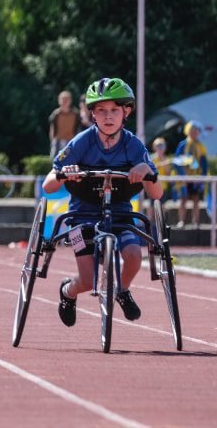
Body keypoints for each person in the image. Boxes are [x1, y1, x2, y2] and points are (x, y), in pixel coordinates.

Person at [43, 77, 162, 327]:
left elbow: (157, 193)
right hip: (80, 216)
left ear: (125, 112)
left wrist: (145, 169)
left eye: (114, 111)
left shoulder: (133, 144)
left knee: (133, 256)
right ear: (92, 114)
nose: (108, 117)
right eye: (101, 111)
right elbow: (48, 184)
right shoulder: (82, 142)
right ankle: (67, 292)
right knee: (87, 281)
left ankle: (121, 290)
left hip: (119, 213)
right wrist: (65, 174)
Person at [173, 120, 208, 229]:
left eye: (196, 131)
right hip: (184, 178)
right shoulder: (183, 145)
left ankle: (196, 221)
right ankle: (182, 221)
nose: (194, 132)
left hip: (196, 178)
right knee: (183, 199)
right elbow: (177, 161)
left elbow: (204, 162)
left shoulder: (201, 146)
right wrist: (183, 175)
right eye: (192, 130)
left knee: (196, 199)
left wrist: (202, 176)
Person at [48, 90, 82, 158]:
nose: (64, 101)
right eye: (62, 99)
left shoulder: (75, 114)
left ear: (70, 101)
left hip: (70, 142)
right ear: (59, 100)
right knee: (55, 161)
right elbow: (52, 128)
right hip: (57, 141)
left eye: (66, 99)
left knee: (69, 161)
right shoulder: (56, 114)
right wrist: (52, 141)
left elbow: (78, 128)